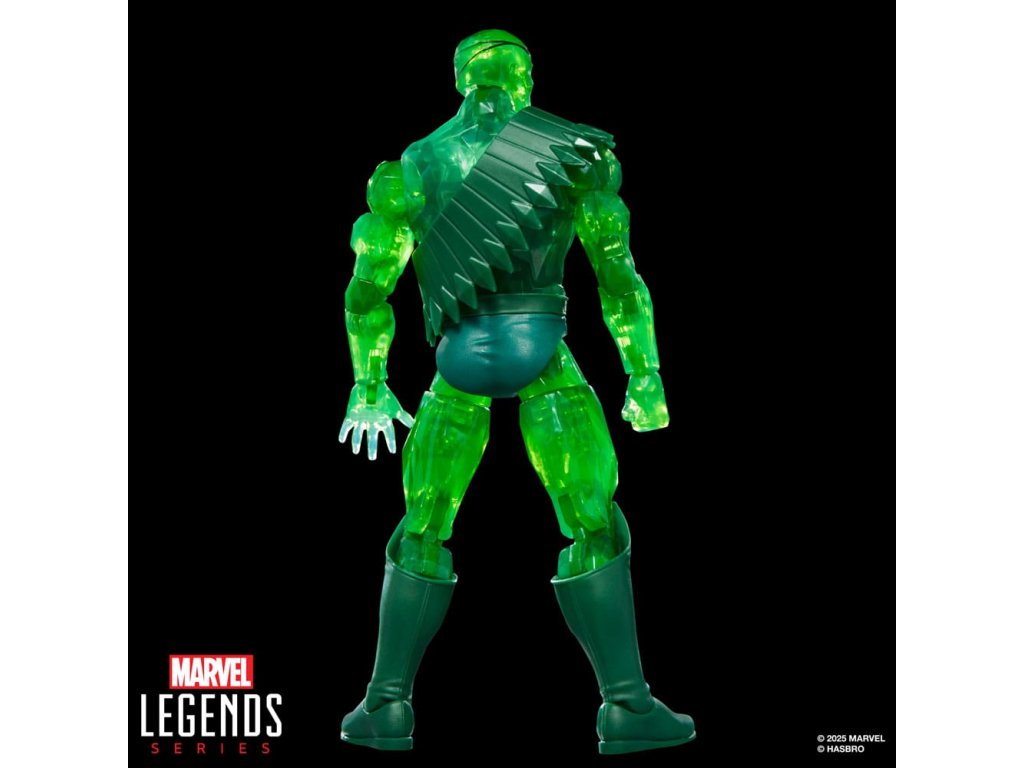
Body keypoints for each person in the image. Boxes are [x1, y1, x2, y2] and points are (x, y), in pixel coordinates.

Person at [337, 29, 695, 755]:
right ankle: (627, 706)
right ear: (527, 80)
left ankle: (386, 707)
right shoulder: (569, 155)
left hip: (457, 362)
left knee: (424, 523)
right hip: (544, 353)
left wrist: (369, 385)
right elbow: (619, 278)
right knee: (591, 518)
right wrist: (644, 373)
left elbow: (369, 291)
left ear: (458, 80)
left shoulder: (416, 165)